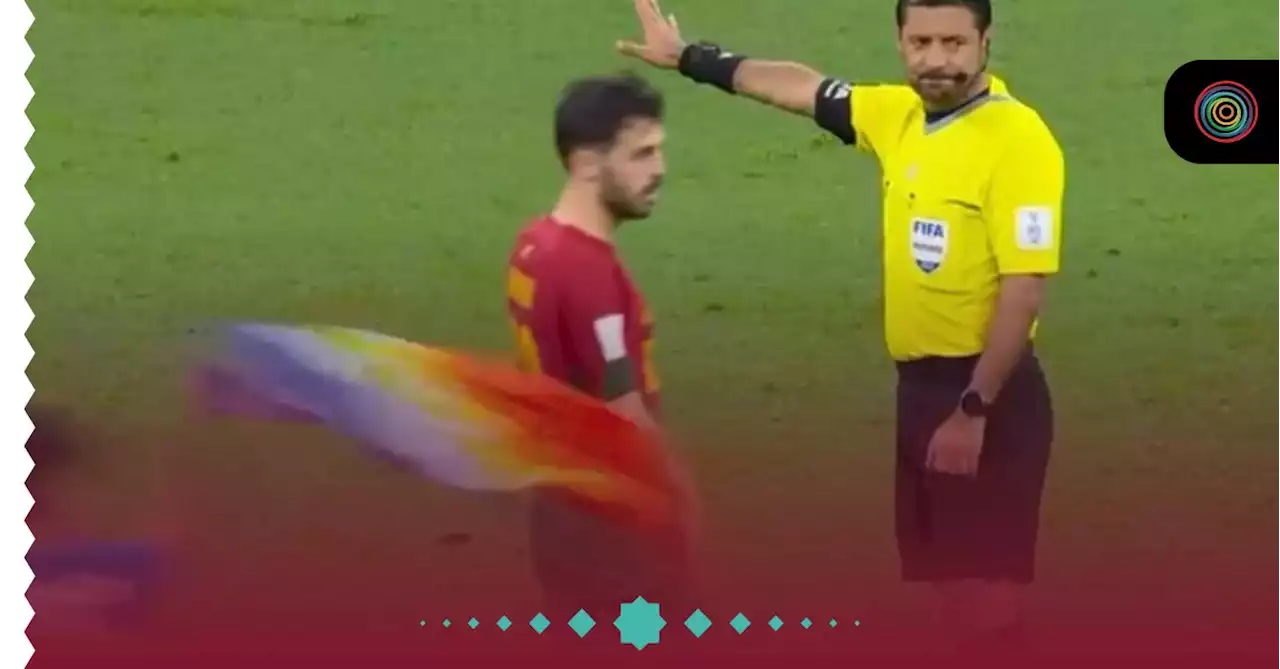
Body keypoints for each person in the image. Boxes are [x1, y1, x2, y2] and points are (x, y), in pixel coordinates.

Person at [617, 0, 1063, 650]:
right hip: (921, 391)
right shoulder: (900, 116)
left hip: (987, 396)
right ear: (901, 41)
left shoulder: (1019, 140)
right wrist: (691, 58)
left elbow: (1024, 290)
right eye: (921, 41)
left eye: (954, 43)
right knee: (947, 590)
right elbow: (801, 87)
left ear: (986, 41)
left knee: (987, 603)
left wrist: (974, 408)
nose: (936, 59)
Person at [503, 74, 697, 622]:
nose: (658, 169)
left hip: (557, 502)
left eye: (658, 151)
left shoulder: (534, 243)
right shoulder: (587, 273)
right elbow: (624, 414)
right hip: (609, 525)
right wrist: (675, 498)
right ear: (587, 163)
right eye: (641, 154)